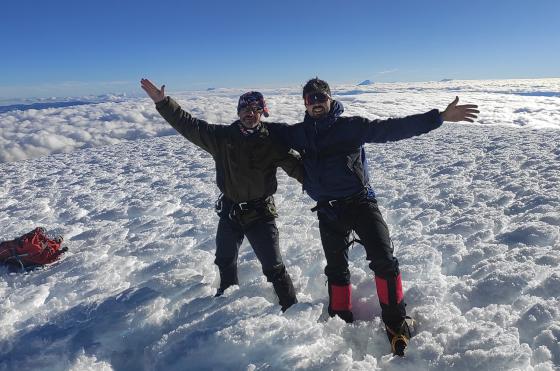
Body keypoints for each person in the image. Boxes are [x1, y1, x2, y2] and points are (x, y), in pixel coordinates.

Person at [267, 77, 479, 355]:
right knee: (336, 268)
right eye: (311, 100)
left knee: (384, 261)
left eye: (321, 98)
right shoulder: (298, 134)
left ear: (330, 99)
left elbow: (392, 128)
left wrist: (438, 117)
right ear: (305, 104)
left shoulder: (350, 127)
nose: (316, 104)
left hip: (361, 203)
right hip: (328, 210)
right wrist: (250, 116)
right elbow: (261, 131)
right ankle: (339, 314)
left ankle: (395, 321)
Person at [140, 78, 304, 312]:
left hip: (261, 213)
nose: (250, 113)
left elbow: (299, 168)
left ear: (263, 112)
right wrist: (163, 103)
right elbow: (190, 125)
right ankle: (226, 305)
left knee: (274, 267)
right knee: (225, 260)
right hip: (230, 212)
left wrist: (331, 186)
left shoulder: (272, 142)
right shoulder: (222, 138)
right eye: (245, 109)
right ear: (238, 112)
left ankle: (291, 308)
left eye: (256, 109)